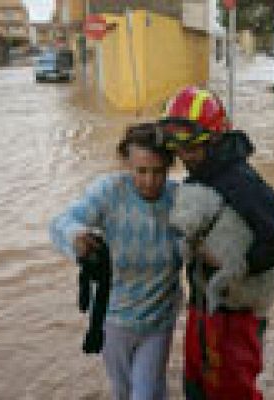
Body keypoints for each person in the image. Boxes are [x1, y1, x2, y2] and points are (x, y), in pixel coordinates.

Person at [158, 86, 274, 399]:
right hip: (204, 305)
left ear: (215, 138)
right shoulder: (202, 173)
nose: (184, 157)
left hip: (235, 316)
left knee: (232, 391)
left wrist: (232, 264)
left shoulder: (241, 182)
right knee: (196, 386)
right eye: (178, 150)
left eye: (192, 149)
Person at [50, 123, 182, 400]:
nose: (149, 181)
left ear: (170, 166)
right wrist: (77, 237)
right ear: (127, 164)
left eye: (158, 171)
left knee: (144, 393)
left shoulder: (181, 200)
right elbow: (61, 222)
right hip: (114, 319)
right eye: (141, 171)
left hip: (159, 320)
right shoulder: (109, 192)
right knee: (123, 391)